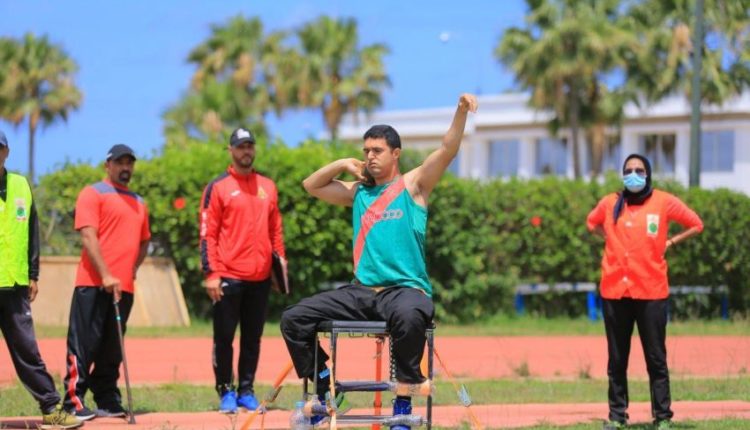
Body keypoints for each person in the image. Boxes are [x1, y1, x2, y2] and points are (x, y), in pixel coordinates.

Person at [281, 93, 478, 428]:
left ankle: (402, 405)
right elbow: (311, 185)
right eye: (366, 151)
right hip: (361, 293)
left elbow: (447, 150)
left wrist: (460, 111)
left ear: (395, 153)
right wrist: (343, 164)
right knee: (294, 319)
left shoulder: (413, 185)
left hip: (404, 291)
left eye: (377, 150)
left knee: (410, 316)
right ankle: (326, 386)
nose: (370, 156)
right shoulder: (358, 192)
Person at [587, 154, 703, 430]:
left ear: (648, 173)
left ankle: (662, 417)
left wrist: (671, 241)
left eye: (639, 170)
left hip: (651, 292)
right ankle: (617, 416)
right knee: (617, 359)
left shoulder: (663, 201)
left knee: (656, 359)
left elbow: (696, 224)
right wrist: (609, 238)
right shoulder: (610, 202)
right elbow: (591, 223)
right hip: (615, 292)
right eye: (628, 170)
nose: (634, 175)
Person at [200, 127, 286, 413]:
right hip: (228, 275)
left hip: (260, 278)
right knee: (224, 338)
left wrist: (279, 270)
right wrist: (211, 273)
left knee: (252, 339)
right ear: (231, 151)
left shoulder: (268, 186)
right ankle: (226, 390)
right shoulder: (218, 187)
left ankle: (246, 390)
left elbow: (276, 231)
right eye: (240, 146)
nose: (246, 151)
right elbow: (208, 234)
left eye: (249, 146)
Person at [62, 144, 150, 420]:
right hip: (92, 283)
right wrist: (106, 274)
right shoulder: (92, 193)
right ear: (107, 165)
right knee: (84, 344)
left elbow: (145, 241)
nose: (125, 167)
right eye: (119, 162)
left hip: (123, 288)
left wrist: (132, 268)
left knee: (112, 349)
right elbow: (88, 236)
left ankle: (107, 397)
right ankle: (73, 401)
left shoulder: (139, 202)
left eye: (129, 163)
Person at [0, 131, 81, 429]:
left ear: (6, 152)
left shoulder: (21, 185)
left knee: (27, 351)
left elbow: (32, 232)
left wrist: (33, 274)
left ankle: (51, 408)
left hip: (15, 285)